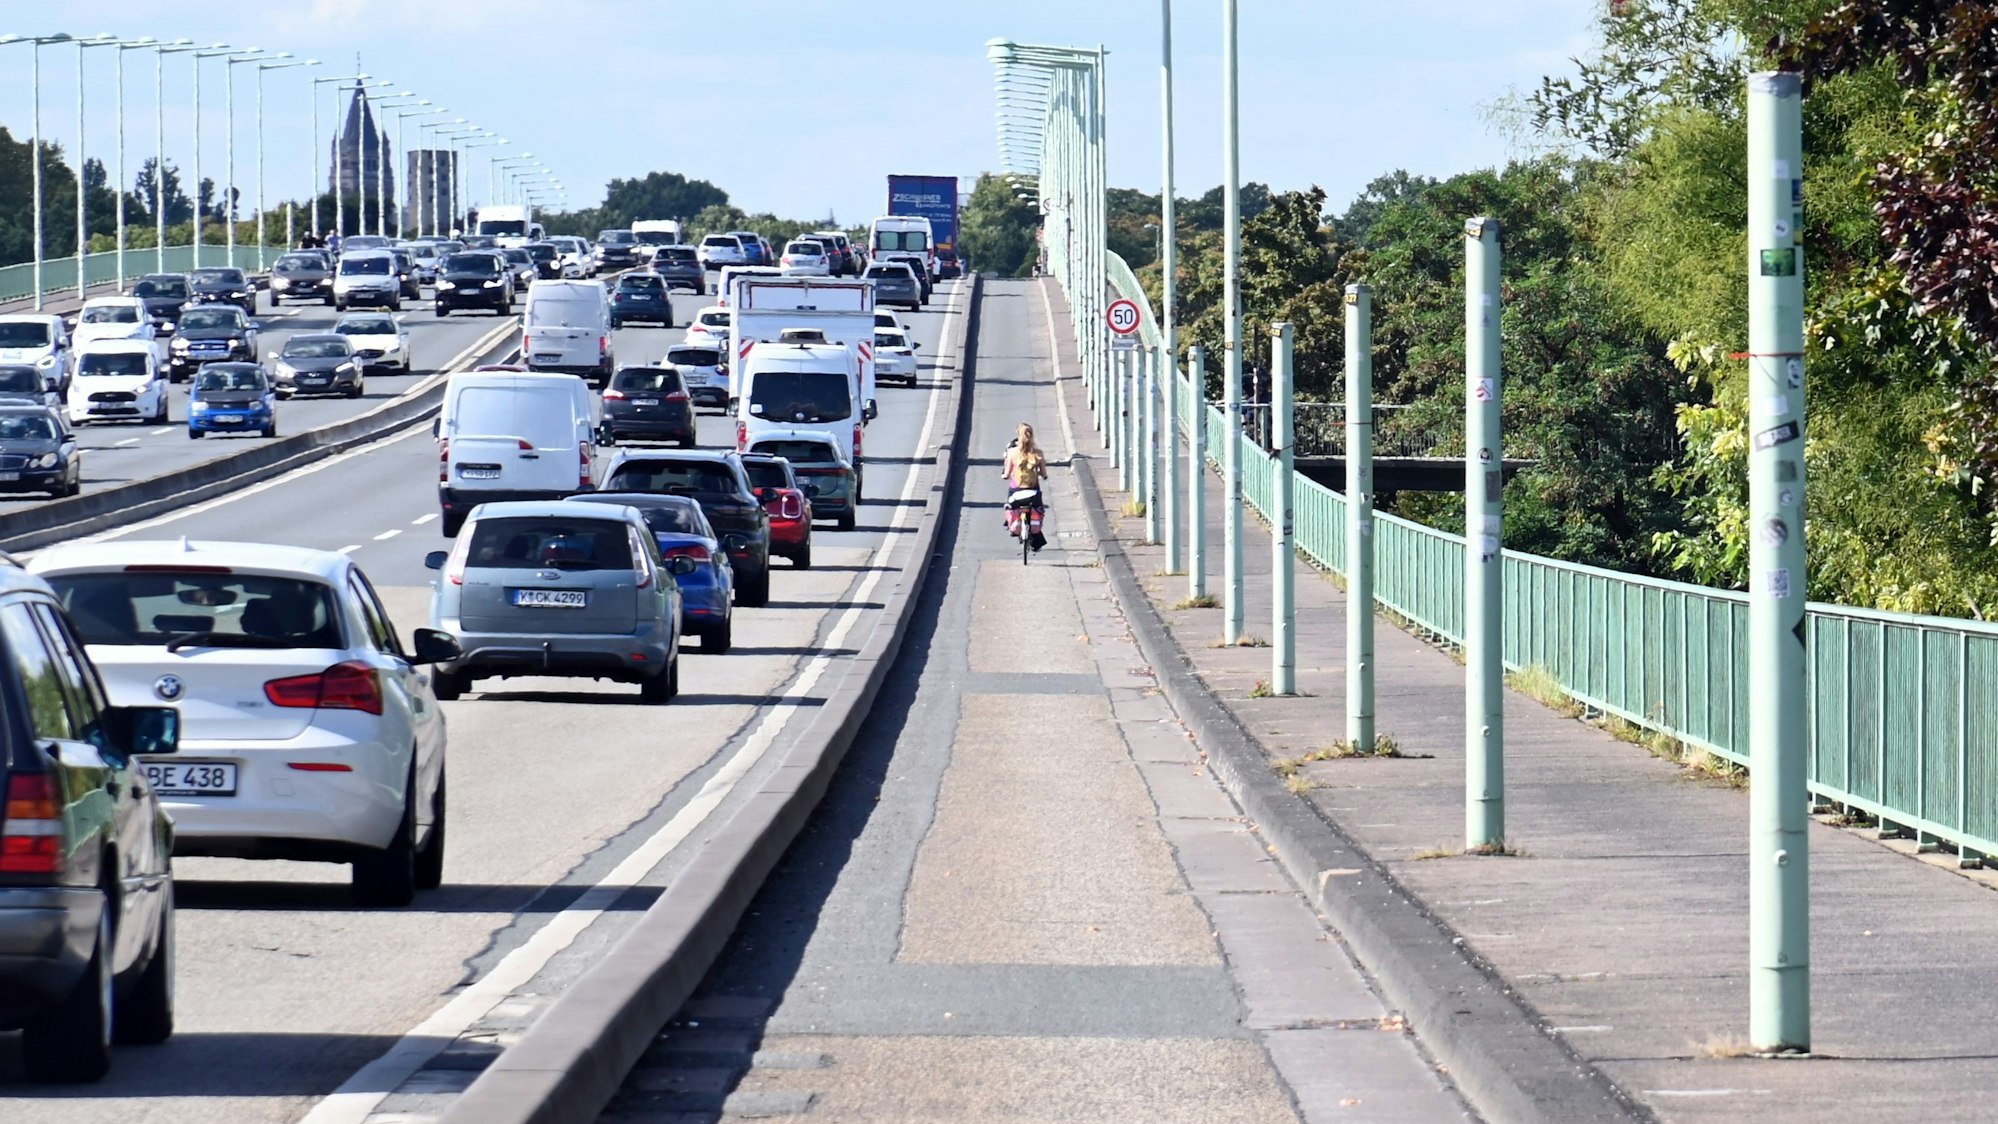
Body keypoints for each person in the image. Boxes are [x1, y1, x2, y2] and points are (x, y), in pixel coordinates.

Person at [1001, 422, 1049, 551]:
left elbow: (1006, 473)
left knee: (1010, 505)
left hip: (1016, 490)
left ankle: (1011, 525)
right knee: (1038, 510)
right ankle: (1036, 538)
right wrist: (1042, 475)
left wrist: (1006, 475)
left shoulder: (1011, 452)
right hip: (1033, 491)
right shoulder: (1038, 453)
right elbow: (1044, 473)